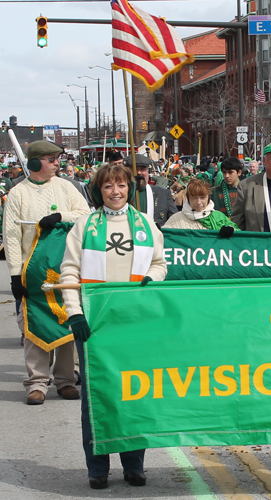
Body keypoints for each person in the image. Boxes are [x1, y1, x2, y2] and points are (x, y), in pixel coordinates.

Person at [60, 164, 167, 490]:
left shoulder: (146, 225)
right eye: (108, 186)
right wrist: (75, 312)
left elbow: (160, 263)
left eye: (121, 185)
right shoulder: (84, 226)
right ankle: (98, 467)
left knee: (135, 392)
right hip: (94, 324)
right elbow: (69, 273)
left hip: (135, 323)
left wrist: (154, 277)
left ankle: (134, 463)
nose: (115, 192)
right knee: (97, 397)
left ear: (129, 188)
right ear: (99, 190)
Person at [2, 140, 90, 405]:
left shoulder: (67, 187)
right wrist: (15, 275)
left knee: (64, 321)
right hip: (33, 272)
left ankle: (64, 380)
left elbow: (85, 215)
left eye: (57, 159)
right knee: (34, 326)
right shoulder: (18, 194)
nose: (57, 164)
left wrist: (60, 216)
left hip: (64, 269)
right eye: (52, 159)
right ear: (35, 162)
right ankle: (37, 382)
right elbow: (12, 235)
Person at [165, 178, 239, 233]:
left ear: (208, 198)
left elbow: (239, 236)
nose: (199, 202)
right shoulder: (176, 219)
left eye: (203, 197)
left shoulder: (219, 217)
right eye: (194, 198)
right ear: (188, 198)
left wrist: (231, 232)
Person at [123, 155, 177, 227]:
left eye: (143, 169)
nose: (139, 173)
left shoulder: (163, 194)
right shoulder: (119, 194)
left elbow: (174, 223)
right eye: (134, 169)